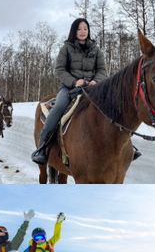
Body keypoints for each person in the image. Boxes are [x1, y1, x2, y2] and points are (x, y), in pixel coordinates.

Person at [31, 18, 143, 165]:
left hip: (92, 88)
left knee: (112, 109)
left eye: (85, 28)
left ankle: (127, 146)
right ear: (74, 31)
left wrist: (96, 80)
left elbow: (101, 69)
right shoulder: (66, 48)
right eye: (79, 29)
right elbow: (59, 70)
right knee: (58, 108)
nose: (83, 31)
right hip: (69, 87)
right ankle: (43, 146)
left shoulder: (95, 49)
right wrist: (74, 81)